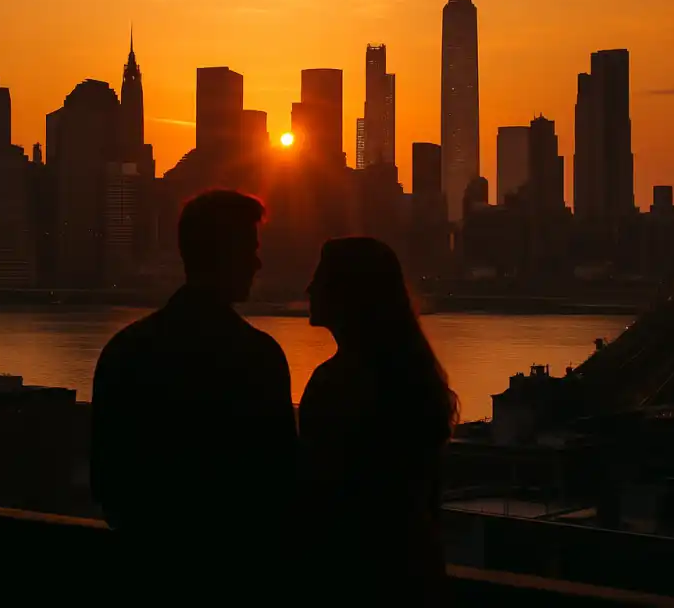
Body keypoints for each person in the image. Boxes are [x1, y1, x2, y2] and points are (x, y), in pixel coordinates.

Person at [90, 190, 299, 602]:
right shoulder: (257, 356)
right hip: (235, 574)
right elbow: (279, 481)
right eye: (250, 249)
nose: (258, 263)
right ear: (228, 253)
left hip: (145, 569)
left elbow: (107, 480)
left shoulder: (125, 349)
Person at [299, 237, 458, 606]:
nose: (308, 288)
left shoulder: (335, 383)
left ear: (348, 294)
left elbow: (321, 494)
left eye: (319, 278)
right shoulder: (411, 378)